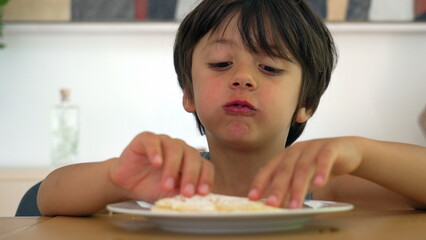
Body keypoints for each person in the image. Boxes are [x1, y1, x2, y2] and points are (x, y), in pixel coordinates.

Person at [37, 0, 426, 216]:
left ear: (305, 103)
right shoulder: (168, 181)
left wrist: (361, 151)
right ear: (189, 93)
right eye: (221, 65)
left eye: (270, 67)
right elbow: (45, 197)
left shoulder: (324, 184)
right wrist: (116, 178)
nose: (243, 78)